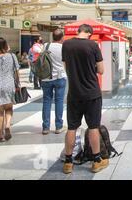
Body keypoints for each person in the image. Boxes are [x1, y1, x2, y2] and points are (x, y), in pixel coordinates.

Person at [62, 24, 107, 174]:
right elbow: (101, 70)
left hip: (74, 93)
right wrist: (90, 67)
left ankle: (68, 162)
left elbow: (65, 66)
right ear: (89, 33)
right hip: (92, 93)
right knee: (93, 127)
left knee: (72, 127)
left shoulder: (66, 45)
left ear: (78, 31)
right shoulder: (93, 45)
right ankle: (96, 161)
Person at [41, 29, 67, 135]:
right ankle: (58, 126)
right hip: (60, 77)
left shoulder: (46, 46)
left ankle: (45, 128)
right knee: (59, 101)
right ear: (62, 37)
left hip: (46, 77)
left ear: (52, 37)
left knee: (46, 101)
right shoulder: (63, 48)